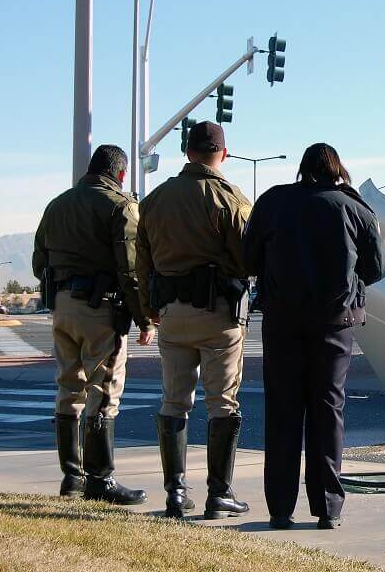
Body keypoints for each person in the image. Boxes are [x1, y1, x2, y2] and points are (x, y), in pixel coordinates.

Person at [243, 143, 385, 530]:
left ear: (302, 168)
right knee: (328, 412)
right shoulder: (354, 207)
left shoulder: (274, 202)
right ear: (337, 170)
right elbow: (378, 267)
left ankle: (279, 507)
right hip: (334, 322)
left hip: (282, 321)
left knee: (283, 412)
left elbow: (246, 258)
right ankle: (327, 507)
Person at [135, 121, 252, 520]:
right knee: (222, 403)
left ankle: (175, 493)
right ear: (223, 153)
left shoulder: (155, 200)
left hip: (172, 314)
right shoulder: (230, 198)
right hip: (218, 314)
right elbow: (245, 258)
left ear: (187, 153)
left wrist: (150, 311)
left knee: (174, 401)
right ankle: (219, 493)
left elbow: (142, 264)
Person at [32, 145, 150, 505]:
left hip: (63, 304)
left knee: (69, 389)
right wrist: (144, 316)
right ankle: (101, 479)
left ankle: (72, 477)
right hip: (101, 308)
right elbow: (130, 269)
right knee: (104, 393)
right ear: (121, 174)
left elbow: (39, 262)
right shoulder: (120, 205)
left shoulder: (57, 204)